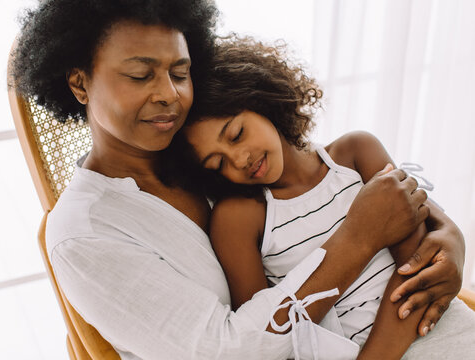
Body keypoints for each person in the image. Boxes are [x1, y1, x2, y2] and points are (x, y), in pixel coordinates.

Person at [10, 1, 466, 359]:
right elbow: (229, 352)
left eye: (180, 72)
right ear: (79, 84)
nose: (169, 95)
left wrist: (449, 238)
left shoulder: (193, 149)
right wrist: (359, 239)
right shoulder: (85, 234)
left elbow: (339, 196)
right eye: (140, 74)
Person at [175, 37, 475, 359]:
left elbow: (416, 265)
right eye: (218, 164)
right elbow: (265, 340)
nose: (239, 160)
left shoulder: (356, 154)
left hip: (443, 329)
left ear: (260, 101)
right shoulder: (239, 218)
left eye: (236, 134)